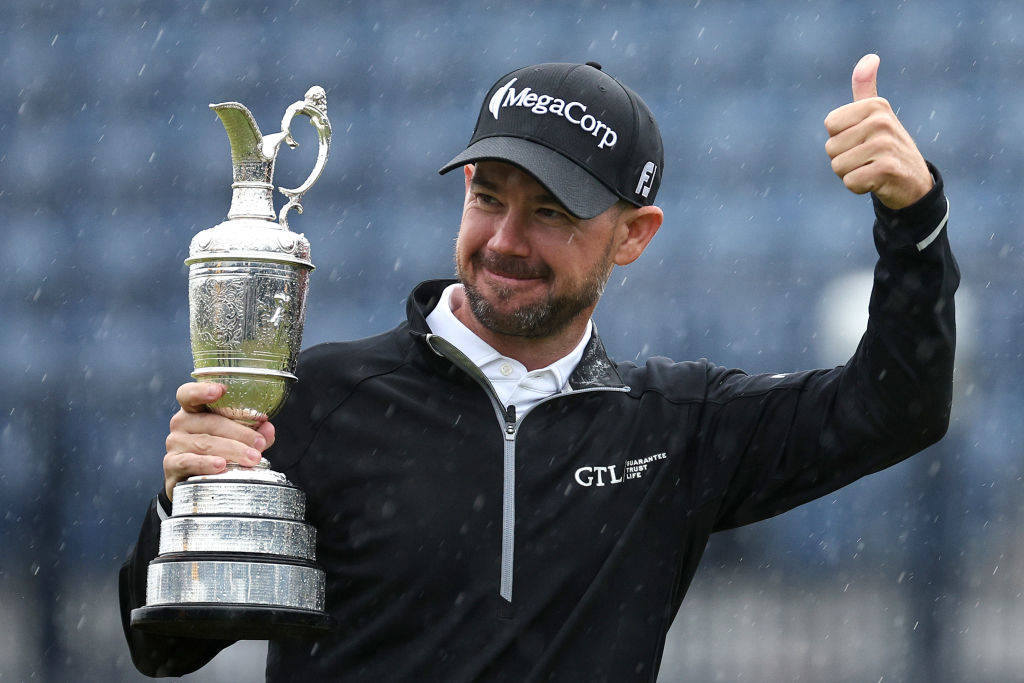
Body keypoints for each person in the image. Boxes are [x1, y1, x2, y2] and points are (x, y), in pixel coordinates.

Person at [120, 57, 958, 680]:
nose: (505, 240)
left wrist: (913, 217)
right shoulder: (324, 398)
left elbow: (898, 408)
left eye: (551, 212)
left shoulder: (672, 428)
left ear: (634, 235)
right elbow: (159, 644)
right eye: (488, 196)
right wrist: (180, 503)